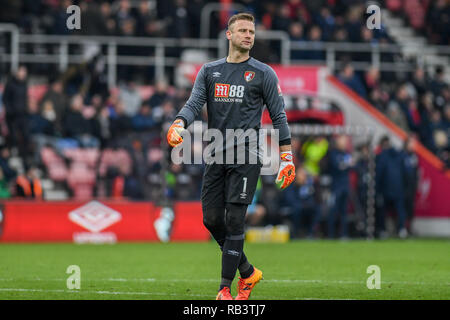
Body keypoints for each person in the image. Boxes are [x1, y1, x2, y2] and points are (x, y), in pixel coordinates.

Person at [166, 13, 295, 300]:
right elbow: (193, 103)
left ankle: (226, 287)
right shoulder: (209, 71)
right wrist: (179, 122)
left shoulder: (263, 73)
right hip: (216, 154)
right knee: (211, 219)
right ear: (229, 34)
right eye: (243, 31)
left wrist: (287, 158)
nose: (249, 35)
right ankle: (248, 271)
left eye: (252, 31)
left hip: (247, 154)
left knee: (235, 220)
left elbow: (279, 117)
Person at [375, 136, 408, 238]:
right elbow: (405, 173)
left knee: (382, 211)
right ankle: (402, 230)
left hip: (386, 189)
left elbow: (379, 174)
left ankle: (383, 231)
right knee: (400, 210)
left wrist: (377, 189)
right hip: (399, 188)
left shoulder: (381, 156)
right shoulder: (399, 155)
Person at [327, 135, 354, 239]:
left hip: (345, 186)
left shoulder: (346, 154)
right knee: (333, 210)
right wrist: (347, 165)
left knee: (344, 211)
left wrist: (346, 165)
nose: (344, 143)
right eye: (343, 141)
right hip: (336, 186)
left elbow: (353, 166)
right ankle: (330, 234)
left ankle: (343, 234)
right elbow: (336, 166)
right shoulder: (333, 154)